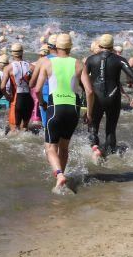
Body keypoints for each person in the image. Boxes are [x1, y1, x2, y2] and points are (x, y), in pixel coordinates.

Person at [30, 33, 91, 193]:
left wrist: (42, 103)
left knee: (50, 147)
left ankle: (59, 175)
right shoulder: (78, 64)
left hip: (55, 106)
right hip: (73, 109)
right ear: (70, 47)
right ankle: (60, 180)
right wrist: (89, 113)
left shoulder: (48, 64)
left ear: (56, 47)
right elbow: (90, 91)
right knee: (64, 147)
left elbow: (36, 89)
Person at [84, 34, 133, 160]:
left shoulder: (91, 59)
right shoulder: (120, 60)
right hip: (113, 97)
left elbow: (82, 79)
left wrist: (85, 95)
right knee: (111, 129)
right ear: (112, 46)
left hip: (96, 97)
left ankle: (95, 150)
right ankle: (111, 156)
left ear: (100, 45)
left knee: (93, 126)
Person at [4, 44, 33, 131]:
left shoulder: (8, 68)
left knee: (14, 130)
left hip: (16, 101)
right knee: (25, 129)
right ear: (22, 52)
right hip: (29, 100)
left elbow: (2, 87)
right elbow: (36, 85)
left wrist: (7, 96)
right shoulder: (32, 67)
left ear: (12, 54)